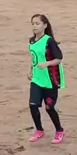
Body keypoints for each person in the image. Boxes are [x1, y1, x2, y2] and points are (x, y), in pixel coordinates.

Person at [28, 14, 65, 145]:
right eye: (33, 24)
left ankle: (59, 130)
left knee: (49, 107)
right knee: (33, 105)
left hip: (50, 80)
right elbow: (34, 57)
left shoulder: (49, 41)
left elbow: (59, 58)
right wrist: (30, 70)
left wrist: (47, 64)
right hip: (37, 79)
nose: (34, 26)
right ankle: (39, 130)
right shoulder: (32, 41)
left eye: (37, 23)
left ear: (45, 25)